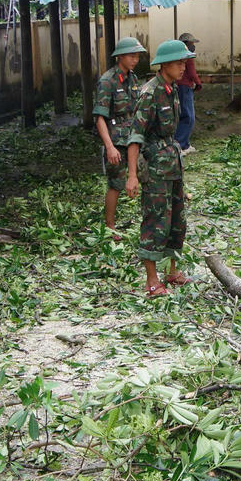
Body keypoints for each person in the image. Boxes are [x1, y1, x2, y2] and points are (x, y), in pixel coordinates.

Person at [126, 40, 193, 297]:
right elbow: (135, 138)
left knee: (178, 219)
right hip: (154, 168)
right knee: (156, 222)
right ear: (164, 64)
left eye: (184, 62)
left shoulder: (172, 89)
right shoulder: (150, 94)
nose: (183, 67)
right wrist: (132, 176)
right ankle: (152, 281)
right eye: (179, 62)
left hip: (172, 164)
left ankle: (172, 271)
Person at [93, 36, 146, 240]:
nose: (135, 60)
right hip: (115, 139)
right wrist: (109, 147)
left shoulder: (132, 78)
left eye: (137, 56)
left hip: (133, 137)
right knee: (116, 183)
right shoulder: (107, 81)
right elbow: (100, 118)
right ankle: (110, 225)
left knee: (145, 176)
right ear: (120, 57)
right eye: (131, 56)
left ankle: (148, 220)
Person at [175, 32, 202, 154]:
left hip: (180, 86)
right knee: (188, 116)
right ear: (185, 44)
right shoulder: (187, 56)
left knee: (184, 115)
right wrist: (199, 83)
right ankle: (180, 144)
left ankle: (185, 143)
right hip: (185, 87)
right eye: (191, 43)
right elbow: (191, 73)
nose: (193, 46)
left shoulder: (178, 55)